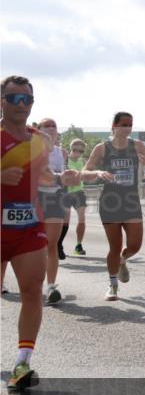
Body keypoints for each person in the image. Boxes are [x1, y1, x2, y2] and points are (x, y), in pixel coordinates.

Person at [1, 76, 83, 389]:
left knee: (32, 291)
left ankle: (22, 364)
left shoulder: (38, 140)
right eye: (14, 98)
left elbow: (45, 176)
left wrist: (62, 179)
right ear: (1, 101)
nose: (21, 104)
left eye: (27, 99)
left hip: (28, 227)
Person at [85, 112, 145, 301]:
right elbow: (85, 171)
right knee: (115, 246)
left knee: (135, 245)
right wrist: (98, 172)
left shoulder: (137, 145)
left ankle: (122, 259)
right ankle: (112, 286)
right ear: (114, 125)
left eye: (130, 124)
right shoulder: (102, 148)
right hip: (110, 202)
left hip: (131, 201)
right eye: (124, 124)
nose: (127, 128)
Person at [35, 118, 69, 304]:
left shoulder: (61, 152)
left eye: (54, 125)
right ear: (38, 130)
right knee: (34, 245)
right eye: (46, 125)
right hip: (35, 198)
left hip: (55, 198)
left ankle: (50, 287)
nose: (51, 128)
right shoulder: (32, 149)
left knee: (52, 244)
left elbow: (64, 177)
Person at [59, 138, 89, 256]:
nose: (77, 153)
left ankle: (78, 245)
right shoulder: (65, 160)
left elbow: (85, 176)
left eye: (81, 151)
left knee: (82, 218)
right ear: (71, 149)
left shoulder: (82, 161)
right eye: (75, 150)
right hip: (66, 193)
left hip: (79, 192)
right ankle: (58, 244)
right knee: (65, 221)